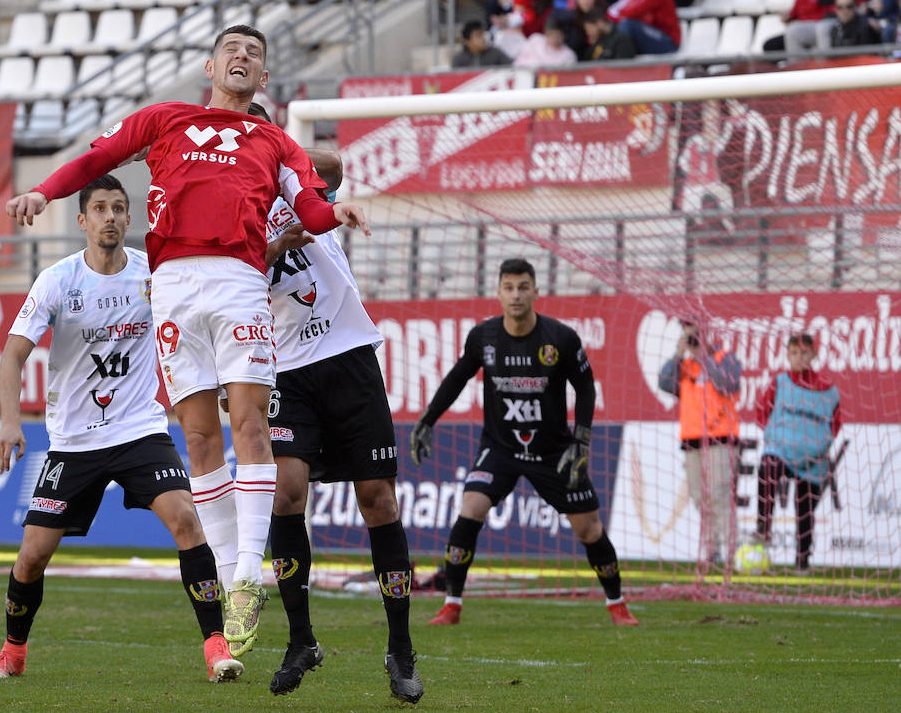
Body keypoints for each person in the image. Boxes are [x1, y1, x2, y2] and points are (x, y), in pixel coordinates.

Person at [4, 24, 370, 659]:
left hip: (238, 281)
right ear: (209, 65)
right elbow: (96, 161)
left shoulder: (276, 140)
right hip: (170, 283)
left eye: (254, 54)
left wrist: (333, 211)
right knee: (199, 435)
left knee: (249, 423)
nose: (243, 56)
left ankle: (249, 574)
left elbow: (310, 207)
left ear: (262, 81)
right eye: (232, 48)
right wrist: (44, 190)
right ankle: (229, 577)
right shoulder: (165, 120)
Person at [0, 176, 242, 684]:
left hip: (139, 430)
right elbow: (12, 355)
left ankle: (217, 647)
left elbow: (194, 329)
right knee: (32, 557)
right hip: (74, 442)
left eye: (119, 209)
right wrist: (11, 420)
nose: (109, 217)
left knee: (187, 521)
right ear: (82, 220)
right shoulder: (58, 281)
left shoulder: (153, 277)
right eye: (99, 208)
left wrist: (223, 382)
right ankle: (12, 653)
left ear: (129, 218)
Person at [249, 107, 421, 704]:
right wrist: (276, 244)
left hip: (348, 353)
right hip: (286, 370)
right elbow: (237, 274)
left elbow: (334, 168)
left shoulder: (296, 175)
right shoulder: (224, 203)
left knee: (377, 500)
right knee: (285, 492)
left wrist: (279, 157)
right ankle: (302, 640)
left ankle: (400, 649)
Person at [410, 258, 639, 627]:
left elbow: (585, 387)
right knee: (470, 508)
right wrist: (427, 421)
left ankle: (618, 604)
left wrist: (581, 440)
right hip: (500, 448)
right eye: (509, 287)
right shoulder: (483, 338)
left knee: (589, 528)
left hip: (553, 451)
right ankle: (451, 604)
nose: (516, 294)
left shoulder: (560, 339)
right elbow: (456, 378)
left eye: (523, 287)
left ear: (535, 291)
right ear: (499, 293)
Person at [657, 317, 741, 567]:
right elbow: (664, 384)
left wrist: (703, 354)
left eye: (694, 333)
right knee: (698, 497)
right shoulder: (684, 365)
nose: (691, 337)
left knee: (719, 494)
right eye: (686, 332)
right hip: (692, 440)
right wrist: (678, 354)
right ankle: (712, 550)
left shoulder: (724, 357)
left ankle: (732, 551)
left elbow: (728, 384)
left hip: (720, 438)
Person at [754, 333, 841, 572]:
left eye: (804, 353)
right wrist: (773, 435)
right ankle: (763, 527)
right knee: (768, 467)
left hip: (813, 459)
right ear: (787, 355)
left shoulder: (828, 390)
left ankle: (802, 559)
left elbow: (835, 423)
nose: (799, 357)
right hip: (781, 450)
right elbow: (761, 411)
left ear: (813, 354)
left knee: (805, 507)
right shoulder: (780, 382)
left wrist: (821, 444)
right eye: (794, 353)